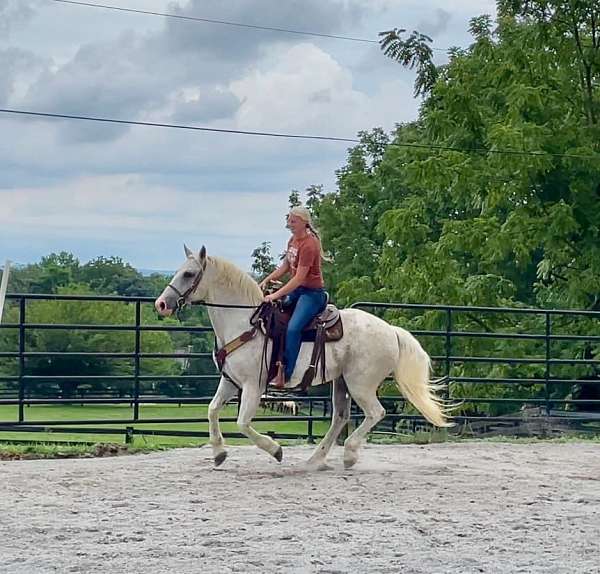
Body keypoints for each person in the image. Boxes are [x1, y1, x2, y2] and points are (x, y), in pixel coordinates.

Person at [259, 206, 328, 389]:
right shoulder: (293, 241)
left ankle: (286, 374)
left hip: (312, 294)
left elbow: (299, 278)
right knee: (273, 315)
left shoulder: (309, 245)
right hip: (298, 291)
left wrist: (275, 294)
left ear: (304, 222)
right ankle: (271, 362)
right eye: (289, 220)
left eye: (293, 221)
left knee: (293, 328)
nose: (289, 224)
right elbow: (285, 268)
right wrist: (266, 280)